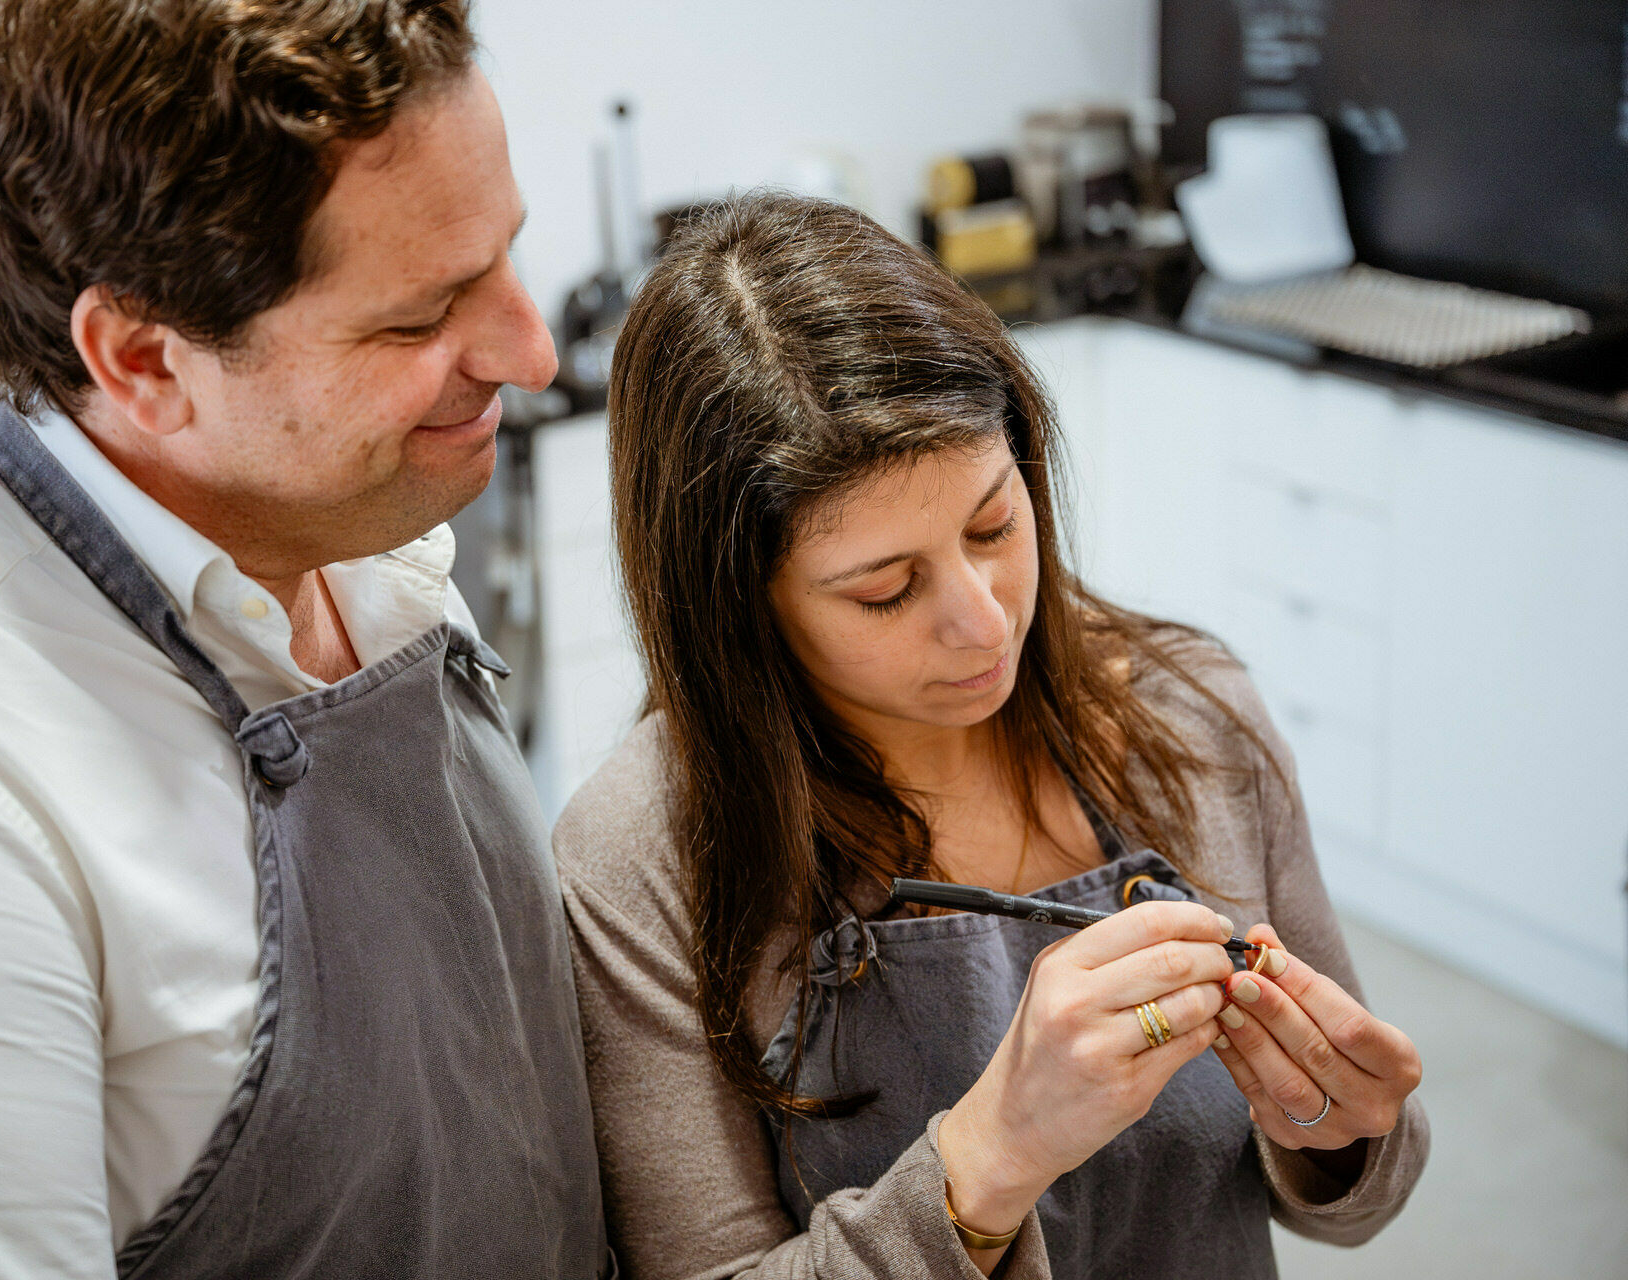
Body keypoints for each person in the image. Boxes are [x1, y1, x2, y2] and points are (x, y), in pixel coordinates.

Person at [0, 3, 609, 1277]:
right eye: (420, 317)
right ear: (142, 359)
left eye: (505, 253)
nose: (532, 350)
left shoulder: (349, 523)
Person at [554, 192, 1429, 1280]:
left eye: (993, 525)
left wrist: (1340, 1129)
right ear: (738, 607)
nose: (983, 622)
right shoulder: (638, 857)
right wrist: (994, 1153)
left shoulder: (1192, 711)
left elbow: (1354, 1200)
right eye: (884, 590)